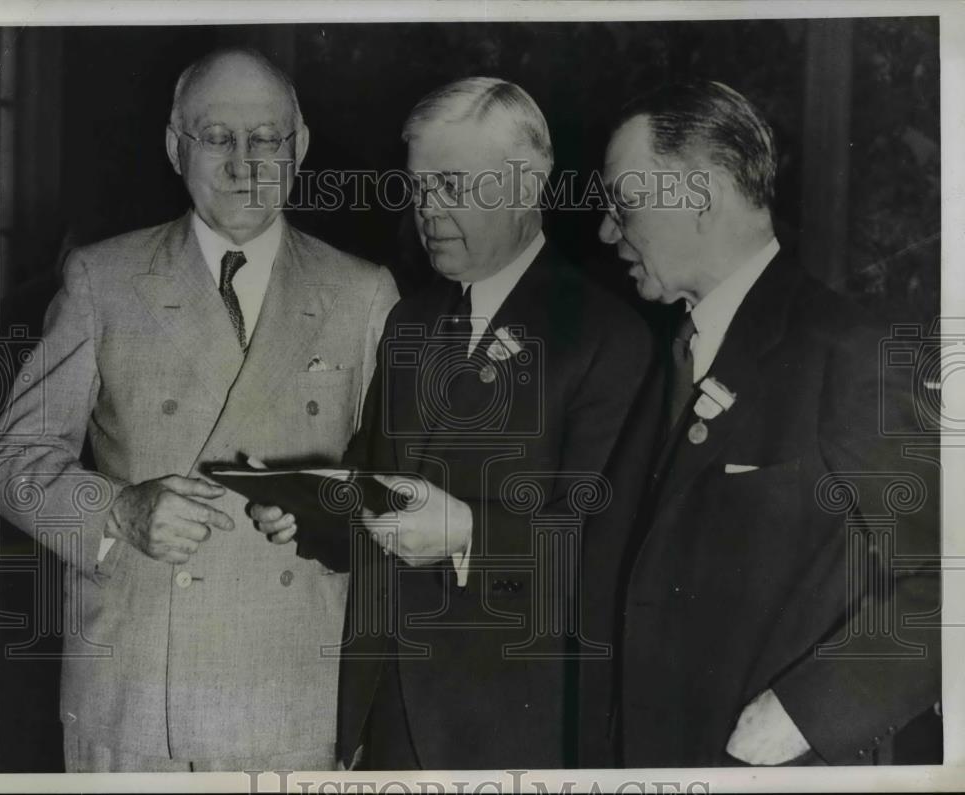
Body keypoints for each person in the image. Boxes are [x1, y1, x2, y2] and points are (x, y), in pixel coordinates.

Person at [0, 47, 398, 772]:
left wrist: (335, 506)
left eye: (266, 138)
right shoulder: (101, 279)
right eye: (217, 137)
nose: (244, 161)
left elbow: (405, 487)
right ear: (175, 147)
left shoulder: (364, 294)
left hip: (296, 701)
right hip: (139, 703)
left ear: (299, 146)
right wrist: (116, 512)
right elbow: (10, 464)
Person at [254, 76, 653, 769]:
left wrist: (468, 531)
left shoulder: (606, 336)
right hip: (385, 717)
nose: (426, 209)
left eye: (452, 184)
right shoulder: (412, 320)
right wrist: (311, 511)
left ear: (527, 185)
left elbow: (606, 552)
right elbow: (373, 480)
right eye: (418, 186)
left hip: (509, 731)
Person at [579, 80, 940, 767]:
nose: (605, 230)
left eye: (623, 203)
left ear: (703, 195)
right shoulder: (670, 359)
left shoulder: (844, 351)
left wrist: (812, 709)